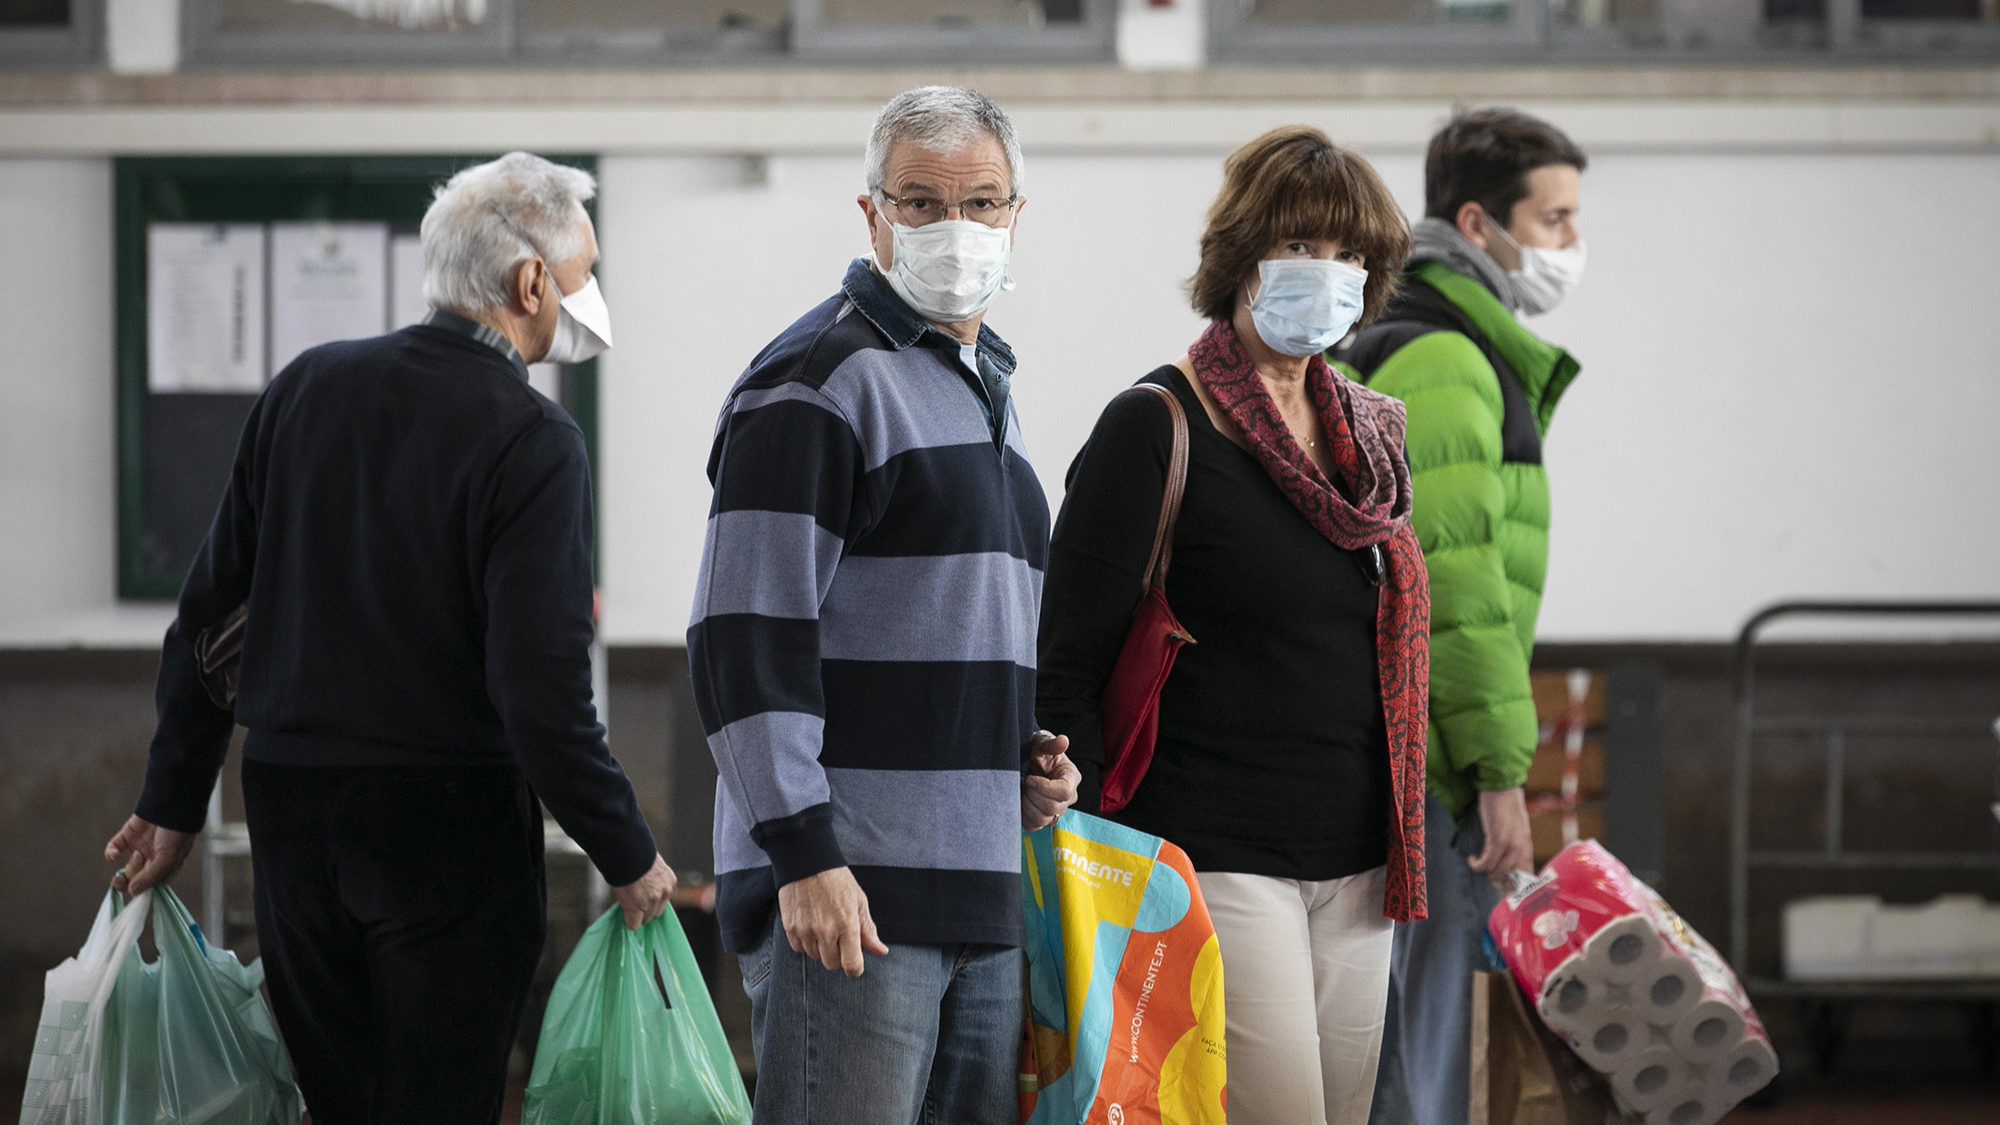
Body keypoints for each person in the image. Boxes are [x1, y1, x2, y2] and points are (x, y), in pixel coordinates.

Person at [103, 151, 676, 1125]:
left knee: (340, 1104)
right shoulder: (531, 439)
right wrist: (626, 850)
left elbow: (206, 621)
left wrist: (172, 801)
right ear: (531, 281)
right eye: (584, 272)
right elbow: (539, 692)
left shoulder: (306, 388)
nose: (588, 296)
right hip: (444, 827)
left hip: (290, 810)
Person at [686, 86, 1080, 1125]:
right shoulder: (816, 383)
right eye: (919, 202)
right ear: (870, 215)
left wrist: (1015, 765)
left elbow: (948, 626)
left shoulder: (979, 383)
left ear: (1015, 214)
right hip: (850, 899)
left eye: (981, 202)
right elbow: (739, 641)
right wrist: (805, 857)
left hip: (977, 888)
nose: (956, 228)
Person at [1036, 125, 1430, 1125]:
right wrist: (1100, 847)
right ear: (1240, 257)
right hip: (1213, 850)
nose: (1328, 275)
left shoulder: (1370, 441)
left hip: (1360, 854)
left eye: (1351, 256)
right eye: (1302, 246)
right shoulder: (1155, 424)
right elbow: (1066, 652)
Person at [1334, 108, 1588, 1125]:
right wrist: (1495, 775)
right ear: (1477, 223)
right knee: (1424, 1059)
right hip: (1430, 766)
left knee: (1406, 1047)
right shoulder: (1444, 357)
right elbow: (1451, 586)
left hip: (1407, 750)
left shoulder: (1441, 336)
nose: (1570, 246)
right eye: (1554, 219)